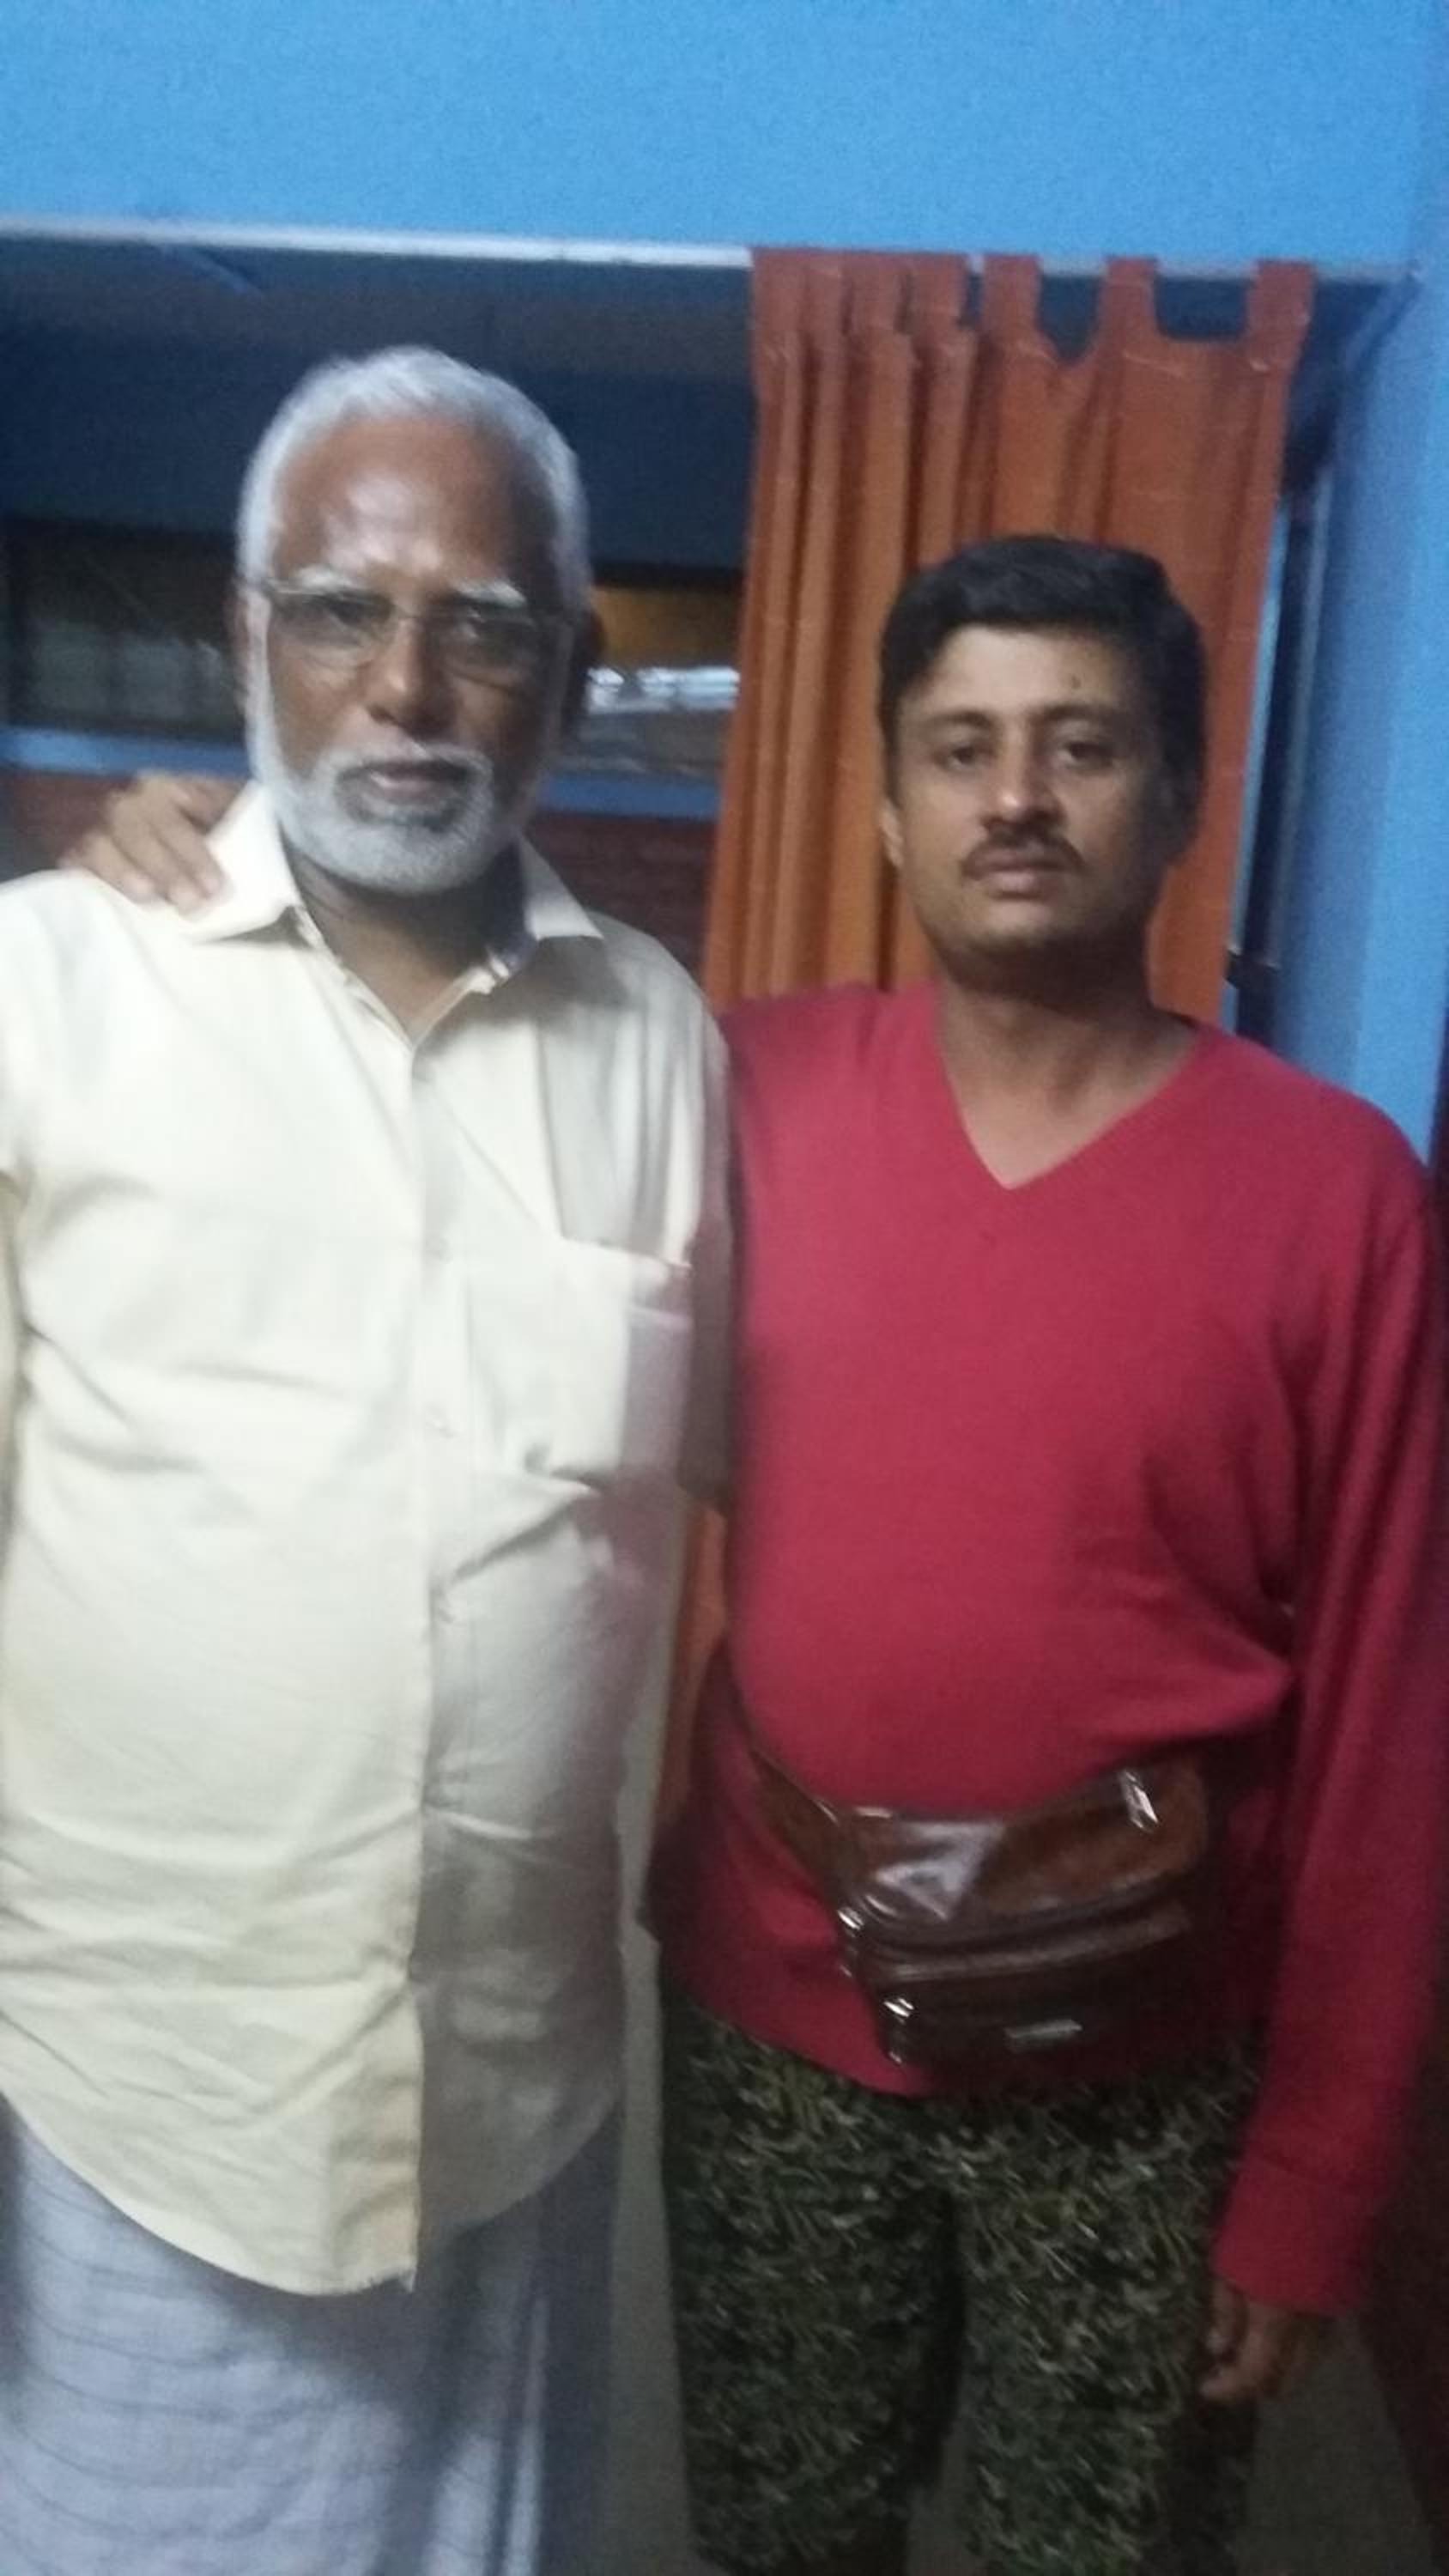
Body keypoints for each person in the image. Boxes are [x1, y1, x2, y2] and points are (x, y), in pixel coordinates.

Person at [74, 539, 1449, 2576]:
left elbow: (1393, 1730)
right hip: (775, 2002)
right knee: (786, 2535)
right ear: (886, 806)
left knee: (1107, 2549)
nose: (1014, 797)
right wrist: (223, 846)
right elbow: (422, 1082)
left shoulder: (1334, 1192)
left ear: (1174, 795)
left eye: (1079, 746)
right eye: (958, 749)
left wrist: (1319, 2176)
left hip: (1143, 2041)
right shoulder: (737, 1090)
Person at [0, 345, 725, 2576]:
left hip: (509, 2101)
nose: (405, 687)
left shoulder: (658, 1039)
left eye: (480, 627)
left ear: (568, 672)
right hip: (131, 2111)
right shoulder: (46, 993)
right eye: (339, 612)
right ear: (249, 639)